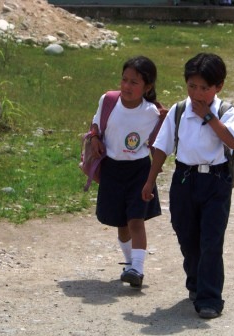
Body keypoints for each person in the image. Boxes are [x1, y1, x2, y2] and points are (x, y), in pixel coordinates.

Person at [142, 53, 234, 318]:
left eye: (204, 88)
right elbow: (162, 148)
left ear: (218, 86)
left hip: (216, 181)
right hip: (185, 180)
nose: (197, 93)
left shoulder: (224, 111)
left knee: (211, 239)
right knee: (186, 234)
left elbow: (233, 142)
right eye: (192, 86)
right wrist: (150, 181)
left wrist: (209, 117)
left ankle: (210, 298)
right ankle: (196, 282)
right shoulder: (178, 111)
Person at [88, 56, 164, 289]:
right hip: (112, 169)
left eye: (134, 82)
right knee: (121, 224)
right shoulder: (108, 101)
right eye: (124, 80)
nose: (127, 86)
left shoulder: (153, 113)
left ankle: (138, 269)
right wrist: (94, 140)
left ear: (147, 87)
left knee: (136, 221)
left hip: (138, 170)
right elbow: (95, 126)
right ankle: (131, 263)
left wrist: (150, 180)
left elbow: (160, 143)